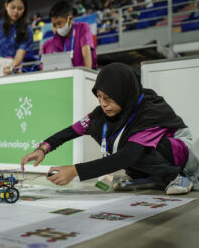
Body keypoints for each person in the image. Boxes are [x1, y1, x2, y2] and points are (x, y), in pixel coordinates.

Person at [21, 63, 199, 195]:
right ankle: (148, 178)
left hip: (179, 151)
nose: (103, 104)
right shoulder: (100, 115)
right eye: (99, 96)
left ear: (123, 93)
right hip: (145, 150)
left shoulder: (149, 110)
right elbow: (71, 131)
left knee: (135, 146)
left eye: (109, 98)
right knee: (109, 133)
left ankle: (176, 177)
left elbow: (129, 155)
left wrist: (75, 171)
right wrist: (43, 149)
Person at [0, 0, 33, 75]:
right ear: (6, 6)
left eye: (20, 8)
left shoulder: (27, 30)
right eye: (13, 7)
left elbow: (19, 57)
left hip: (12, 67)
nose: (16, 11)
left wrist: (11, 68)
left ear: (24, 9)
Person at [48, 1, 97, 69]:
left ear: (70, 19)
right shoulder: (57, 37)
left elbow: (86, 51)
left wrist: (86, 74)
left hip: (85, 72)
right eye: (54, 25)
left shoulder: (83, 28)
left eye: (59, 23)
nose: (57, 27)